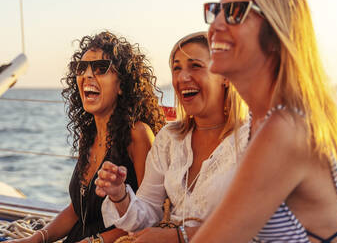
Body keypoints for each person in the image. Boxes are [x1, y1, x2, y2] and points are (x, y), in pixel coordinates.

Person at [188, 0, 337, 242]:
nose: (215, 25)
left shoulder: (285, 130)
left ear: (277, 34)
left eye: (235, 12)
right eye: (216, 10)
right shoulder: (264, 121)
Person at [5, 31, 166, 243]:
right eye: (82, 68)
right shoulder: (87, 136)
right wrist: (36, 239)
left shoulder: (138, 134)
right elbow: (76, 211)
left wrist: (94, 241)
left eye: (101, 68)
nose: (88, 75)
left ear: (121, 85)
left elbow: (151, 219)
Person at [95, 32, 249, 243]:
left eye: (195, 66)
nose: (182, 77)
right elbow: (147, 212)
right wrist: (119, 194)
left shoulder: (252, 138)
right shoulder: (170, 139)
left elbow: (253, 227)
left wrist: (177, 236)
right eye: (177, 68)